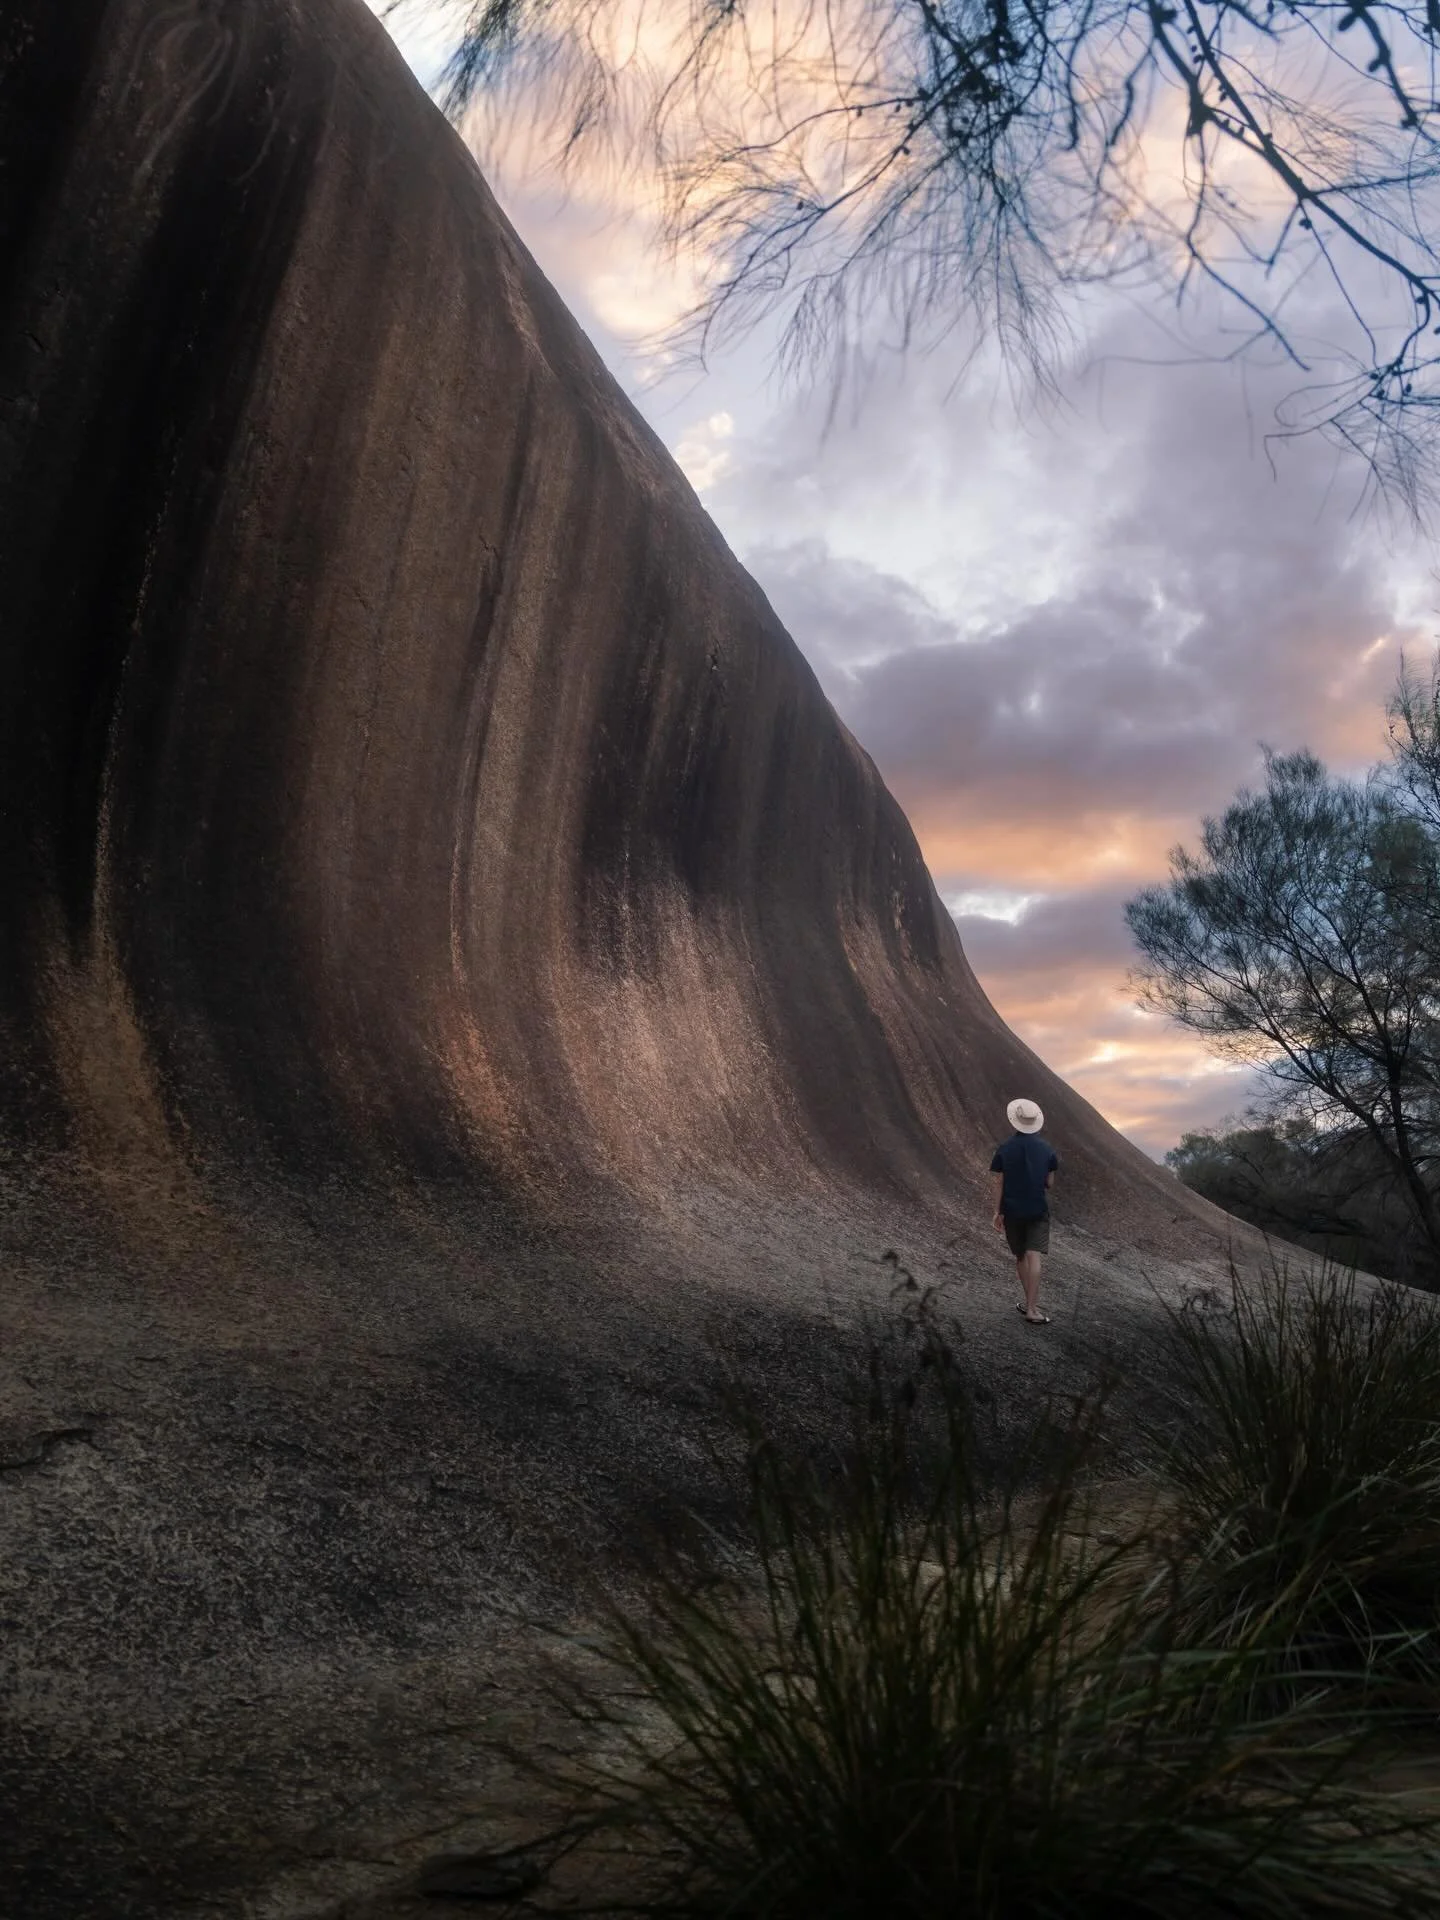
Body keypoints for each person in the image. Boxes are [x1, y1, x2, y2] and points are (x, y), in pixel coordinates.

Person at [990, 1098, 1059, 1325]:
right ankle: (1032, 1308)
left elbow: (999, 1181)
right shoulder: (1047, 1149)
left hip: (1012, 1210)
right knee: (1034, 1255)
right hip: (1037, 1209)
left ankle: (1029, 1303)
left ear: (1015, 1121)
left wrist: (997, 1211)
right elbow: (1049, 1183)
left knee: (1020, 1256)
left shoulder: (1005, 1148)